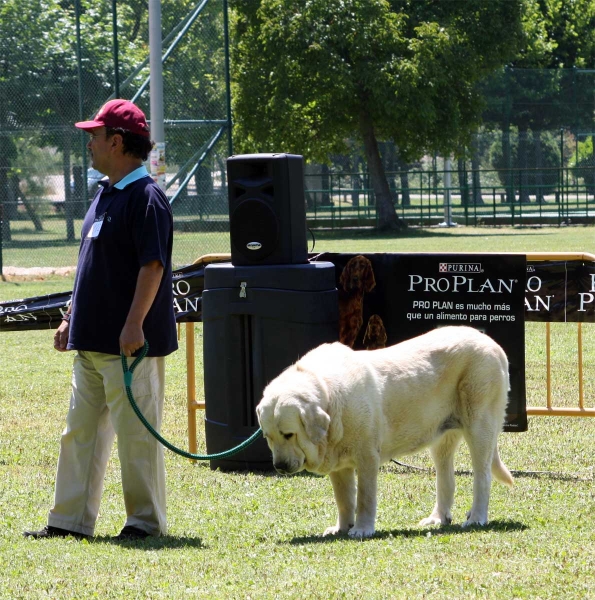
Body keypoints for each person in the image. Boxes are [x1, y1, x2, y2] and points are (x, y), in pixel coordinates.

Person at [24, 99, 178, 541]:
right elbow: (89, 262)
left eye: (94, 135)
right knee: (80, 435)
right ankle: (69, 522)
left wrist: (134, 325)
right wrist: (71, 316)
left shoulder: (147, 198)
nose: (88, 143)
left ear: (116, 141)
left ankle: (144, 524)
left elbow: (153, 268)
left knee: (136, 438)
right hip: (90, 341)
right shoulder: (105, 195)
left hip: (129, 346)